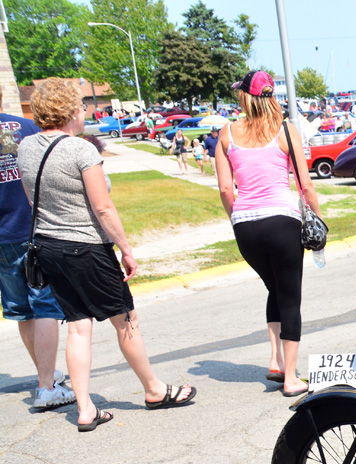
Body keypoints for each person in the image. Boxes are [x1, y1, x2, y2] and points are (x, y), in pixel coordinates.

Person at [17, 78, 196, 431]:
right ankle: (154, 389)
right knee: (125, 320)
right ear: (69, 110)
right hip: (87, 247)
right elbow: (103, 207)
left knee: (78, 327)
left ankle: (85, 408)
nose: (85, 112)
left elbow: (31, 199)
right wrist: (126, 249)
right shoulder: (80, 150)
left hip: (49, 247)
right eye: (81, 106)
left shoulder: (27, 148)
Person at [215, 70, 321, 399]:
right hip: (282, 222)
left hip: (247, 227)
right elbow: (305, 185)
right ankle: (290, 377)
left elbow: (224, 188)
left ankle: (275, 360)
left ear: (245, 96)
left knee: (274, 288)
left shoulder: (226, 133)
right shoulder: (286, 130)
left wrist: (239, 219)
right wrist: (317, 218)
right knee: (290, 298)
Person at [0, 90, 74, 410]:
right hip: (30, 228)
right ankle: (47, 386)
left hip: (2, 237)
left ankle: (45, 373)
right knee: (44, 305)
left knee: (21, 310)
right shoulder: (26, 127)